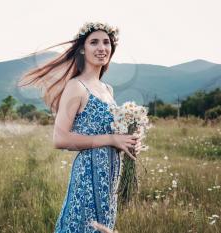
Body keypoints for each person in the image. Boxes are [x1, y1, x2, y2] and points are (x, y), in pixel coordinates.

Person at [17, 22, 140, 233]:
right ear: (83, 48)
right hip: (87, 175)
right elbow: (60, 138)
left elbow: (109, 133)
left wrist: (126, 141)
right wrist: (111, 139)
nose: (102, 48)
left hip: (110, 175)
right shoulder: (76, 86)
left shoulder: (107, 89)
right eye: (94, 42)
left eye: (106, 42)